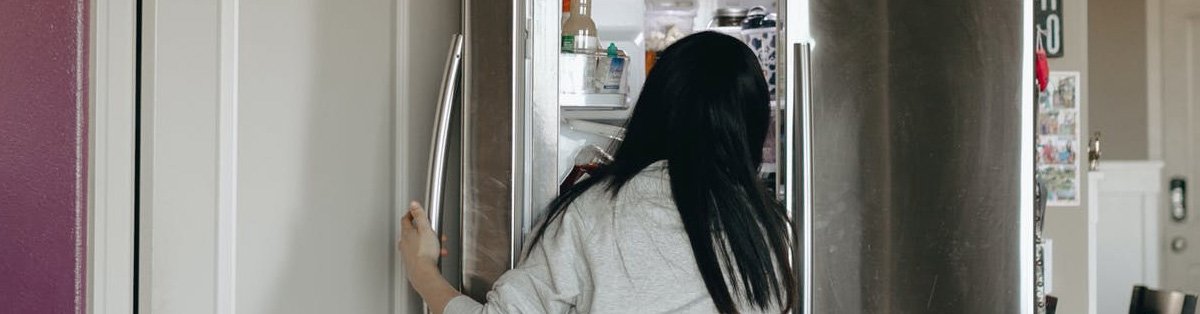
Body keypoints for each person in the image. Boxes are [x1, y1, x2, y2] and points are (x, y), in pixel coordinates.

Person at [399, 31, 797, 314]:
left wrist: (422, 270)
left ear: (654, 110)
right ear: (751, 127)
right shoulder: (769, 233)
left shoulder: (594, 212)